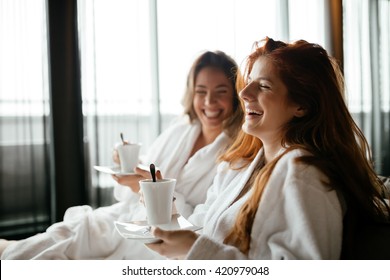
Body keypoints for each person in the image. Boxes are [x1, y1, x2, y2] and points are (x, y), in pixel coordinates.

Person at [146, 37, 390, 260]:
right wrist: (168, 208)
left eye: (263, 86)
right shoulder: (240, 166)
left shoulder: (303, 173)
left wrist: (196, 251)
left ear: (301, 106)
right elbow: (201, 227)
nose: (243, 93)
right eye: (249, 82)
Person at [0, 50, 244, 259]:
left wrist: (148, 191)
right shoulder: (180, 130)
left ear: (235, 96)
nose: (209, 101)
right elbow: (147, 173)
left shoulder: (236, 154)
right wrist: (130, 168)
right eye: (201, 91)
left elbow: (200, 225)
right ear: (192, 94)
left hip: (159, 238)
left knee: (59, 252)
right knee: (65, 234)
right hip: (126, 217)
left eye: (221, 91)